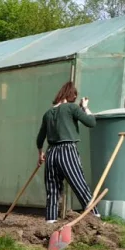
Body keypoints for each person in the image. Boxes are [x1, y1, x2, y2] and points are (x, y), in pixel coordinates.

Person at [36, 81, 99, 224]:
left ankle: (50, 222)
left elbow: (40, 138)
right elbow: (91, 122)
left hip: (51, 153)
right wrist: (85, 107)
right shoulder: (71, 108)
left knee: (52, 189)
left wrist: (40, 154)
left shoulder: (48, 113)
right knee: (79, 184)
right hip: (67, 150)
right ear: (72, 95)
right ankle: (95, 218)